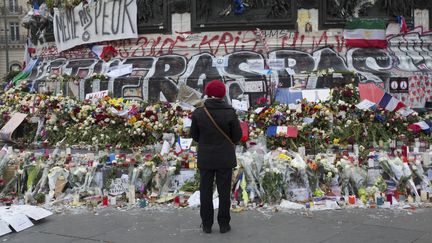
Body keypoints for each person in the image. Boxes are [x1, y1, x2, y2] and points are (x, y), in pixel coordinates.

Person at [190, 79, 242, 234]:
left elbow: (194, 135)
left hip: (206, 158)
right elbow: (237, 136)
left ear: (208, 93)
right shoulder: (230, 111)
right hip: (225, 157)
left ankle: (206, 225)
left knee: (205, 190)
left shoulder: (199, 112)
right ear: (222, 94)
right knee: (224, 191)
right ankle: (224, 225)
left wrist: (206, 142)